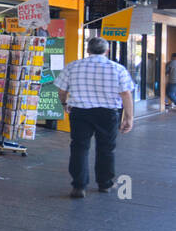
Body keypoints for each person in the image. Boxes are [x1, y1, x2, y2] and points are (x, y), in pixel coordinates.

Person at [56, 36, 135, 198]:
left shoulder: (73, 67)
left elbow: (62, 91)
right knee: (106, 148)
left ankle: (79, 186)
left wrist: (64, 104)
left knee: (79, 147)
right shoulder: (117, 69)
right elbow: (126, 93)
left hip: (80, 112)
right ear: (107, 51)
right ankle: (105, 183)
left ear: (87, 50)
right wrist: (129, 117)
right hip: (107, 113)